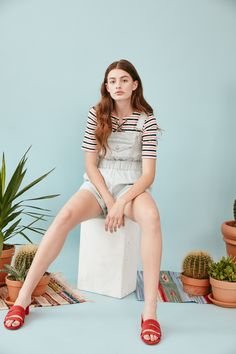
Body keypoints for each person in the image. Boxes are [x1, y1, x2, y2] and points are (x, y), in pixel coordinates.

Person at [3, 59, 163, 345]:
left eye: (124, 80)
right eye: (112, 81)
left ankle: (149, 311)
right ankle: (23, 298)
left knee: (151, 218)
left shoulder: (146, 120)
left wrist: (120, 202)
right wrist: (107, 199)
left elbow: (148, 174)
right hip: (98, 183)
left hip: (132, 186)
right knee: (64, 217)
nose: (118, 85)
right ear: (106, 86)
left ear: (135, 84)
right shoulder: (96, 114)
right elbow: (91, 165)